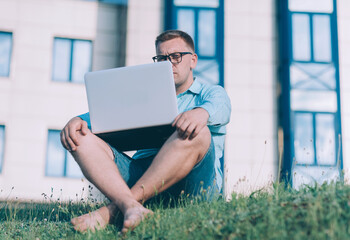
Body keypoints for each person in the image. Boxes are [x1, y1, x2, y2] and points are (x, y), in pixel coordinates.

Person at [60, 29, 231, 233]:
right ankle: (133, 207)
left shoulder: (210, 93)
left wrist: (201, 113)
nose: (168, 64)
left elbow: (222, 107)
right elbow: (103, 116)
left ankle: (113, 211)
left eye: (175, 57)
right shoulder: (144, 96)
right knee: (80, 135)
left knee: (198, 132)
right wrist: (78, 120)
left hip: (192, 186)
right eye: (162, 58)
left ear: (192, 60)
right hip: (144, 177)